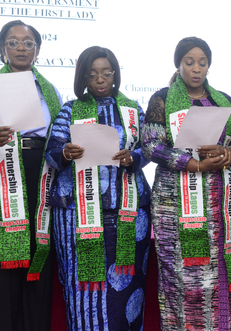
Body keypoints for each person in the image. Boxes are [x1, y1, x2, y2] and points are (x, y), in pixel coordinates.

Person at [141, 36, 231, 330]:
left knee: (214, 276)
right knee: (178, 275)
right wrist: (193, 164)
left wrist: (228, 154)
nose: (196, 68)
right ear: (179, 64)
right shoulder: (161, 99)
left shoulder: (222, 100)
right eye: (189, 62)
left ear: (209, 66)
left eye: (202, 62)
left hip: (217, 205)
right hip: (172, 206)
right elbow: (150, 146)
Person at [45, 46, 151, 331]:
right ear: (84, 78)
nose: (101, 79)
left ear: (115, 74)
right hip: (77, 215)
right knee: (83, 293)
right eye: (93, 75)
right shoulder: (69, 110)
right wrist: (66, 153)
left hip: (128, 211)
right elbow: (52, 153)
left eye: (106, 73)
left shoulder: (132, 110)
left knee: (126, 291)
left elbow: (148, 148)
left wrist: (134, 157)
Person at [0, 20, 63, 331]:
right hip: (4, 174)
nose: (21, 47)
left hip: (42, 170)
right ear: (3, 50)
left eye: (28, 43)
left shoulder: (50, 90)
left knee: (39, 247)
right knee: (6, 257)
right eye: (13, 42)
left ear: (38, 50)